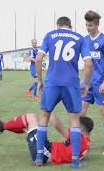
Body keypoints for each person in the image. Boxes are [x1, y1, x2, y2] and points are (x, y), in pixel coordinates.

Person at [35, 16, 93, 168]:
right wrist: (85, 84)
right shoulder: (80, 38)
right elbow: (88, 64)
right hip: (71, 84)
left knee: (44, 117)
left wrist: (39, 80)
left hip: (52, 82)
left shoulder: (50, 35)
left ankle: (39, 157)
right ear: (70, 26)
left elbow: (39, 59)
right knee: (74, 119)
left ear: (58, 25)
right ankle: (74, 160)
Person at [0, 111, 94, 165]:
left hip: (44, 152)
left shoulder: (79, 139)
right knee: (28, 126)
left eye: (75, 125)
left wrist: (49, 106)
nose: (72, 126)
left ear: (81, 129)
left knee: (31, 118)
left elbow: (57, 126)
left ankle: (0, 127)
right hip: (47, 149)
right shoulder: (87, 142)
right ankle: (1, 126)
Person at [81, 10, 104, 155]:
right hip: (87, 83)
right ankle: (84, 144)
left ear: (97, 24)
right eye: (87, 25)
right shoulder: (84, 40)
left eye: (91, 25)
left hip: (101, 83)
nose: (88, 28)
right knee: (81, 113)